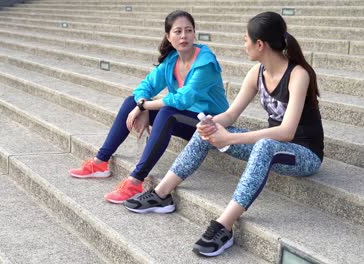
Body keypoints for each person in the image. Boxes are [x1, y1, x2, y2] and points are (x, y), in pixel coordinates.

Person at [124, 11, 324, 257]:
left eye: (245, 40)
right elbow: (230, 116)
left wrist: (230, 139)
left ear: (259, 44)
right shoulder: (256, 73)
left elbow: (286, 131)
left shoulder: (297, 75)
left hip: (304, 154)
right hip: (274, 144)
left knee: (264, 145)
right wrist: (211, 124)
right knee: (208, 129)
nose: (244, 45)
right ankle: (161, 194)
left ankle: (223, 226)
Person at [69, 10, 229, 204]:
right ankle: (100, 162)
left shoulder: (206, 63)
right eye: (177, 31)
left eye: (188, 30)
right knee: (130, 102)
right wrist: (140, 105)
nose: (184, 36)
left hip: (211, 123)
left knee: (168, 112)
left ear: (194, 34)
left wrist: (144, 107)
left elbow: (182, 100)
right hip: (187, 118)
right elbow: (145, 86)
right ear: (168, 37)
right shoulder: (172, 61)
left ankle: (136, 180)